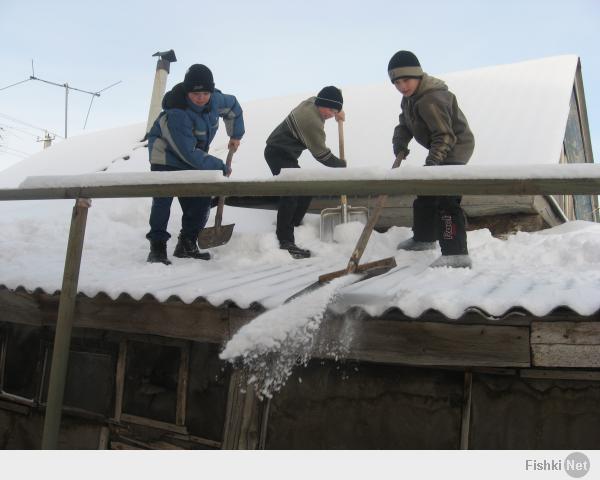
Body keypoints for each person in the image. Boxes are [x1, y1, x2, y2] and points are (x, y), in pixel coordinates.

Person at [146, 64, 244, 265]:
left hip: (194, 156)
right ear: (187, 91)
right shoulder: (177, 113)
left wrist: (235, 134)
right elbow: (188, 153)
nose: (201, 98)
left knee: (200, 199)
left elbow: (233, 107)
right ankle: (157, 248)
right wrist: (219, 166)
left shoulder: (216, 100)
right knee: (163, 202)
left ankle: (187, 243)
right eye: (195, 94)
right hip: (166, 159)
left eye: (206, 93)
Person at [388, 51, 475, 268]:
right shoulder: (409, 99)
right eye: (396, 82)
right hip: (440, 147)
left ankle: (456, 255)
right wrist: (400, 143)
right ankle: (424, 239)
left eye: (406, 80)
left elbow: (445, 135)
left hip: (454, 149)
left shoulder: (432, 98)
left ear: (417, 76)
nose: (402, 87)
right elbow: (404, 124)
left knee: (447, 200)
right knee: (425, 195)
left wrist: (433, 164)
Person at [264, 86, 347, 259]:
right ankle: (285, 240)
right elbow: (322, 155)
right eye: (330, 110)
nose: (331, 115)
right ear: (321, 104)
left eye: (334, 111)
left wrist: (337, 110)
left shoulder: (313, 102)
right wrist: (341, 165)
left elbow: (328, 100)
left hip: (287, 154)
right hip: (278, 153)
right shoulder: (311, 121)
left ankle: (294, 224)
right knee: (291, 191)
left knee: (306, 188)